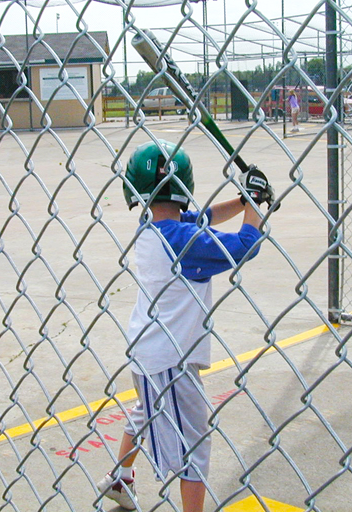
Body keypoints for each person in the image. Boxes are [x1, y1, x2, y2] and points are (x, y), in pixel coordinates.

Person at [97, 140, 276, 512]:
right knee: (195, 443)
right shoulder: (182, 240)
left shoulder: (155, 228)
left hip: (150, 350)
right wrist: (256, 204)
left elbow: (205, 216)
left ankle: (120, 478)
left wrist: (245, 199)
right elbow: (245, 244)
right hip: (172, 360)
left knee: (147, 411)